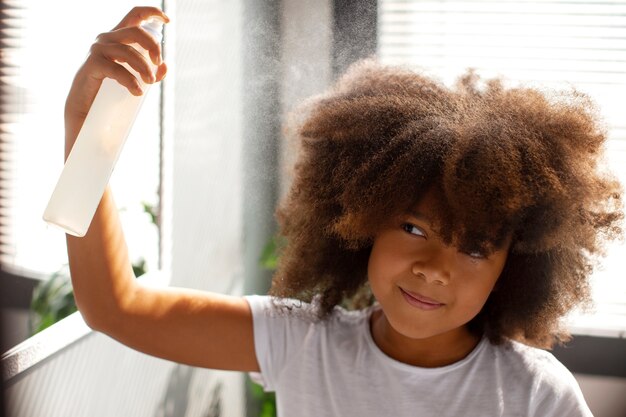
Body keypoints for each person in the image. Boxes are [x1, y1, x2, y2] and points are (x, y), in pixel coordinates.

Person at [66, 7, 622, 417]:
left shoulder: (534, 395)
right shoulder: (302, 344)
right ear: (363, 222)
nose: (433, 266)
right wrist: (85, 133)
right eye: (413, 227)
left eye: (475, 247)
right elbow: (115, 307)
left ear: (515, 268)